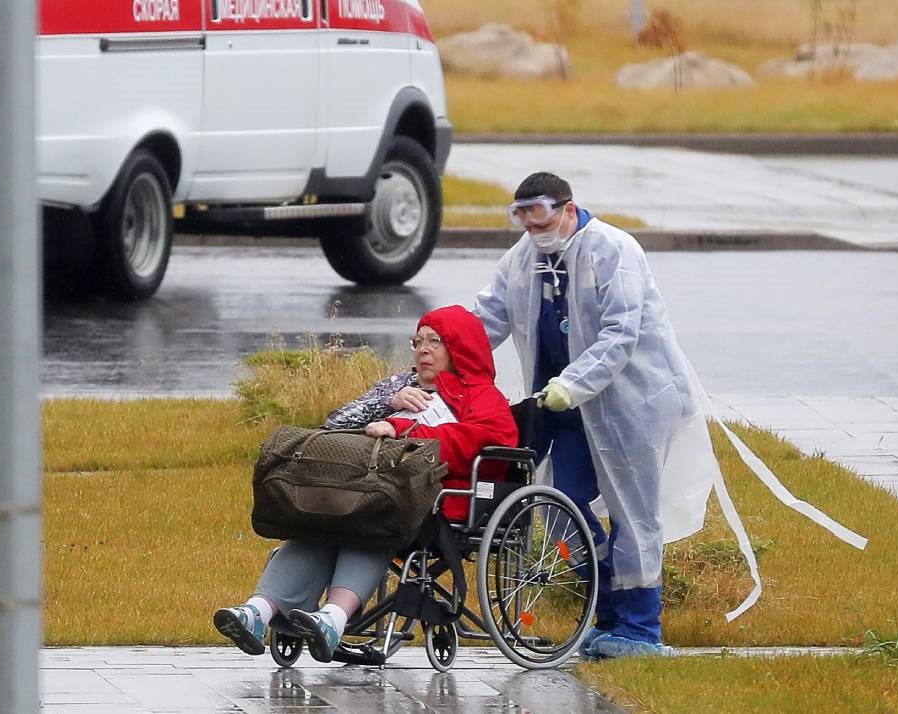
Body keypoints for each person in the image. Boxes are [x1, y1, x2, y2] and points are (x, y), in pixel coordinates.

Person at [473, 171, 712, 660]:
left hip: (630, 402)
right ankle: (602, 613)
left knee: (633, 512)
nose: (531, 226)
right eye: (520, 216)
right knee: (559, 503)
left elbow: (620, 333)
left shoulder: (614, 249)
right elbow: (485, 321)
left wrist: (573, 384)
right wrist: (441, 352)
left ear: (567, 207)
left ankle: (642, 628)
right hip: (561, 405)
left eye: (538, 213)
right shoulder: (522, 261)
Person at [213, 304, 517, 663]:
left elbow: (489, 439)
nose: (423, 350)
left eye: (435, 342)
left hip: (432, 499)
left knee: (370, 518)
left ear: (460, 347)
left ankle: (332, 618)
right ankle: (256, 612)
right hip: (366, 483)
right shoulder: (400, 384)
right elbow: (334, 426)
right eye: (417, 341)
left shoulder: (482, 397)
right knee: (319, 519)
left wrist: (406, 429)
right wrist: (386, 404)